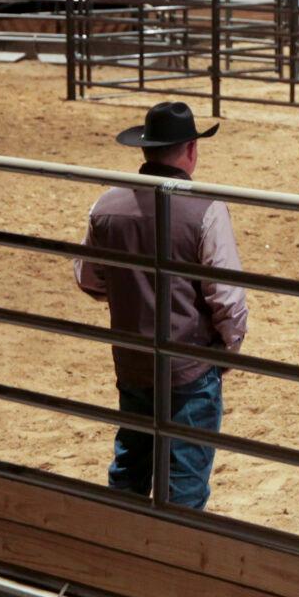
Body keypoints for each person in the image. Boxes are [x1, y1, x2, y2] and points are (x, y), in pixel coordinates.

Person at [73, 102, 248, 510]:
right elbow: (227, 297)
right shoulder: (205, 207)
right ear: (191, 150)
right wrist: (226, 353)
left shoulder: (107, 206)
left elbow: (89, 278)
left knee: (131, 466)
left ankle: (117, 556)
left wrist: (126, 292)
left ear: (146, 151)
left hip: (132, 361)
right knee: (184, 480)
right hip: (189, 367)